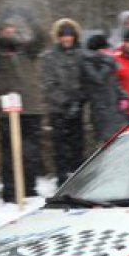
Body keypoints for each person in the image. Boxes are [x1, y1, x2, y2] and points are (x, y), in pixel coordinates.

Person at [0, 9, 47, 203]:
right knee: (10, 153)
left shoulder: (27, 52)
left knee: (31, 152)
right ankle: (10, 190)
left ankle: (29, 187)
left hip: (32, 108)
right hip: (8, 111)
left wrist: (31, 19)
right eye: (5, 30)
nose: (9, 33)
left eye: (11, 29)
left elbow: (42, 40)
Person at [41, 18, 86, 185]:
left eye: (70, 35)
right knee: (60, 148)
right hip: (58, 110)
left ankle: (78, 181)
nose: (67, 39)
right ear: (58, 37)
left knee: (78, 148)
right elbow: (48, 84)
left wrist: (80, 100)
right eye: (63, 36)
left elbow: (86, 79)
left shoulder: (81, 54)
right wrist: (65, 102)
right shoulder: (49, 57)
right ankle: (62, 181)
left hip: (78, 108)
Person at [83, 34, 129, 143]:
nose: (108, 52)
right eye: (105, 49)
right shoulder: (89, 63)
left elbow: (114, 83)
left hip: (115, 111)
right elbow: (98, 79)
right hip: (102, 114)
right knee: (108, 147)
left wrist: (123, 96)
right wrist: (108, 63)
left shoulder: (106, 63)